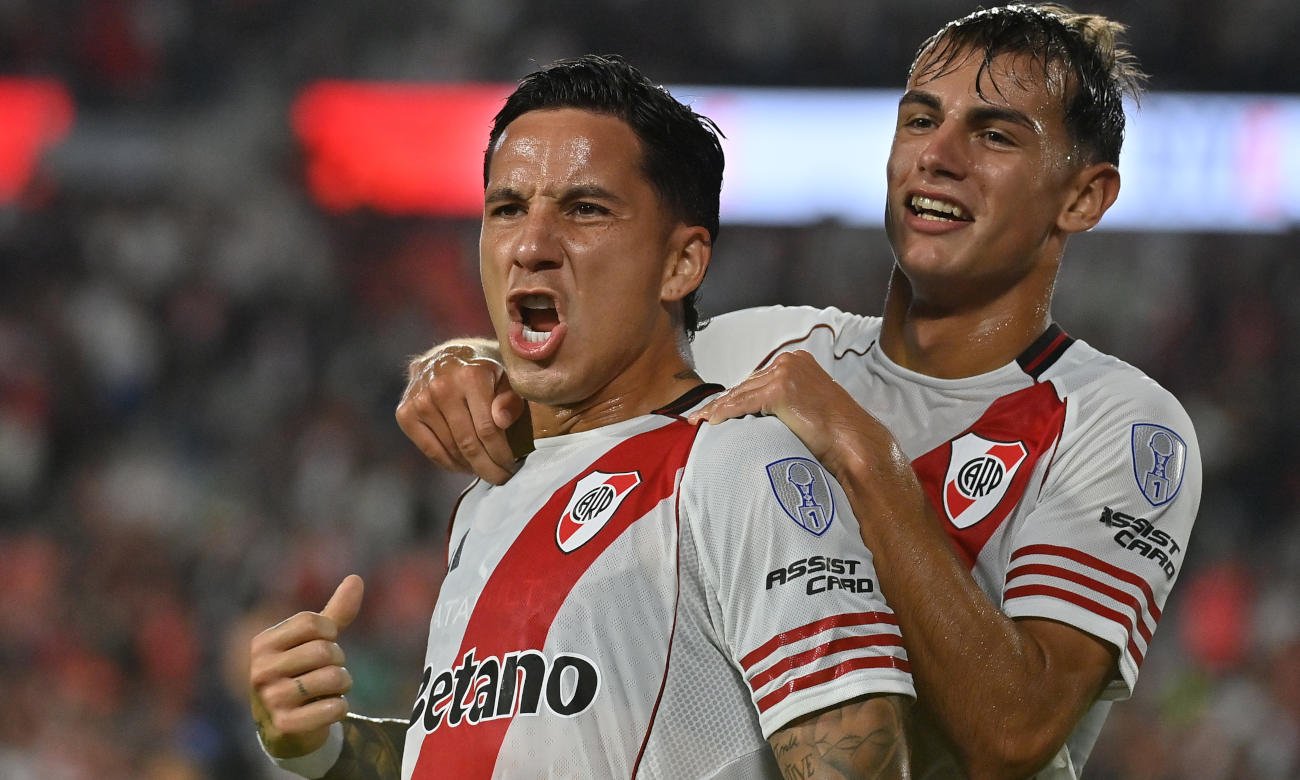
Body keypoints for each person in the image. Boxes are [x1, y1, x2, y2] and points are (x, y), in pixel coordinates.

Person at [394, 5, 1202, 779]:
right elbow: (594, 373)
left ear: (1083, 197)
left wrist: (863, 453)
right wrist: (465, 365)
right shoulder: (764, 346)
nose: (939, 155)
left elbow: (1013, 733)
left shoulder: (1119, 425)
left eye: (994, 135)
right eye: (921, 120)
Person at [249, 54, 915, 779]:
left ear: (681, 265)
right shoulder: (487, 499)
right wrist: (320, 748)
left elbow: (858, 760)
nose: (531, 247)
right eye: (508, 209)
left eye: (585, 210)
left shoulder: (735, 468)